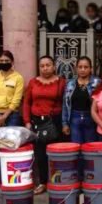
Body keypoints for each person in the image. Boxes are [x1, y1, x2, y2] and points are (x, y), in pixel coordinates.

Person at [22, 56, 65, 194]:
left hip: (54, 121)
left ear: (53, 66)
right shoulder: (33, 82)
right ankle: (42, 182)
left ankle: (57, 181)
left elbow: (66, 103)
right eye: (42, 66)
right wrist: (27, 121)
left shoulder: (61, 82)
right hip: (37, 123)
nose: (45, 68)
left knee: (56, 154)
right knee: (40, 154)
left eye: (48, 65)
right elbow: (27, 102)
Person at [61, 57, 101, 144]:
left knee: (91, 147)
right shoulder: (70, 84)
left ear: (91, 68)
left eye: (86, 67)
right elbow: (65, 104)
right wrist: (65, 124)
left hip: (91, 119)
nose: (83, 69)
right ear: (76, 68)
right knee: (76, 146)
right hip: (74, 118)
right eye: (80, 67)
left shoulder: (97, 83)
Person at [0, 51, 24, 127]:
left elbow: (16, 100)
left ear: (12, 62)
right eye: (1, 61)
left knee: (10, 139)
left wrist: (4, 116)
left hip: (12, 115)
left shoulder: (18, 78)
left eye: (7, 61)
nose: (4, 63)